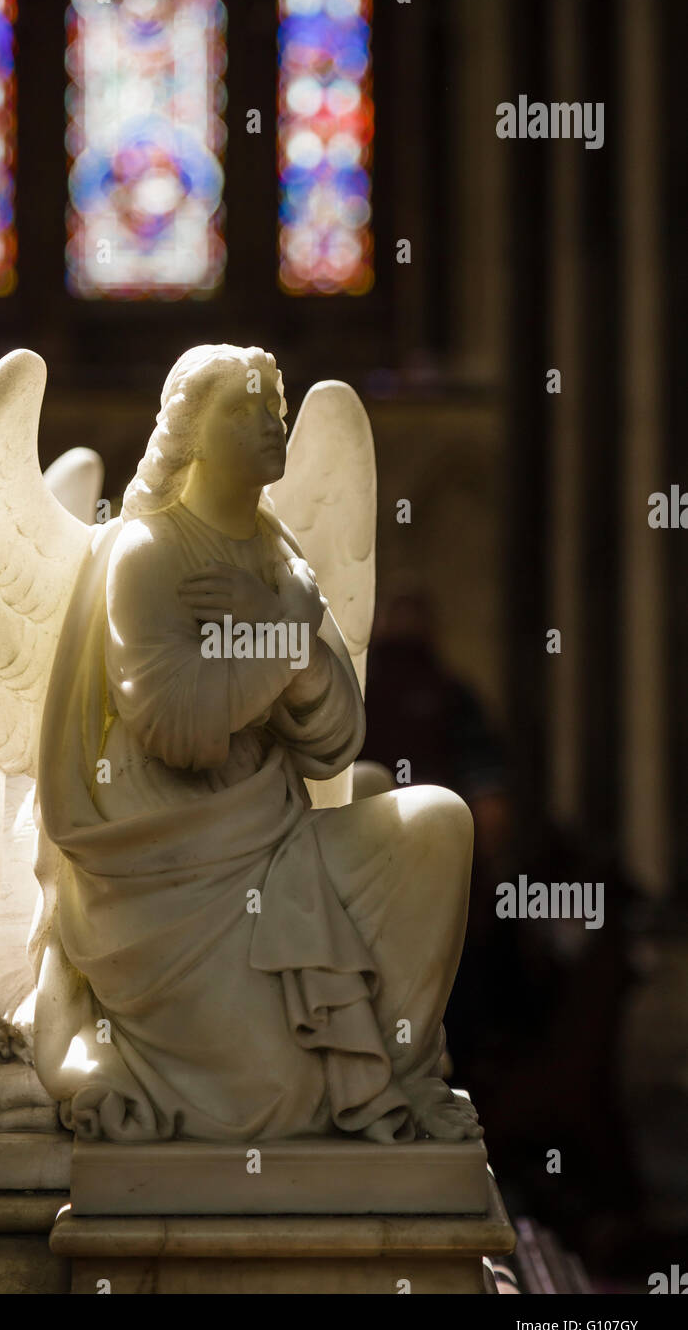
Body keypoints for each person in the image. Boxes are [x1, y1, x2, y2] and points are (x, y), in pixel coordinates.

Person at [34, 344, 479, 1145]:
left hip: (274, 846)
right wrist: (282, 629)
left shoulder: (281, 556)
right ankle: (336, 1084)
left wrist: (281, 625)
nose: (272, 421)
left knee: (440, 824)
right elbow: (180, 732)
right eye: (244, 408)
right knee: (273, 1099)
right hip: (166, 886)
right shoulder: (147, 556)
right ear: (192, 435)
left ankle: (397, 1078)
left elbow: (337, 741)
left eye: (275, 404)